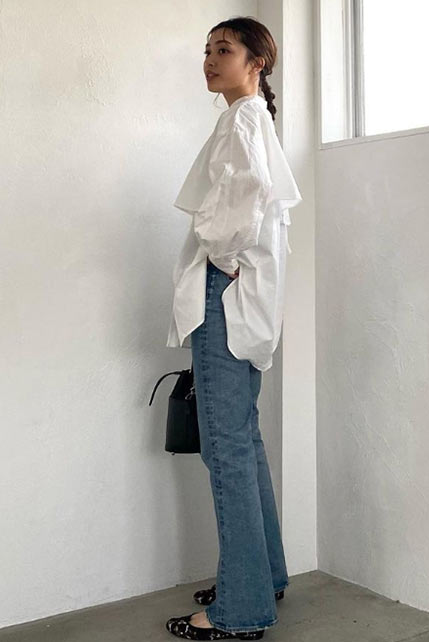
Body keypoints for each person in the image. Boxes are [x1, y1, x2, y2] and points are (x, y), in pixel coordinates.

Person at [165, 16, 302, 641]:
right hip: (247, 298)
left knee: (225, 446)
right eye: (207, 50)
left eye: (224, 49)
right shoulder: (252, 118)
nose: (210, 59)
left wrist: (219, 260)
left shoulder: (243, 121)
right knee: (243, 439)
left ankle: (242, 610)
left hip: (227, 296)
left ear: (257, 62)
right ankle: (262, 575)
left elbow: (243, 209)